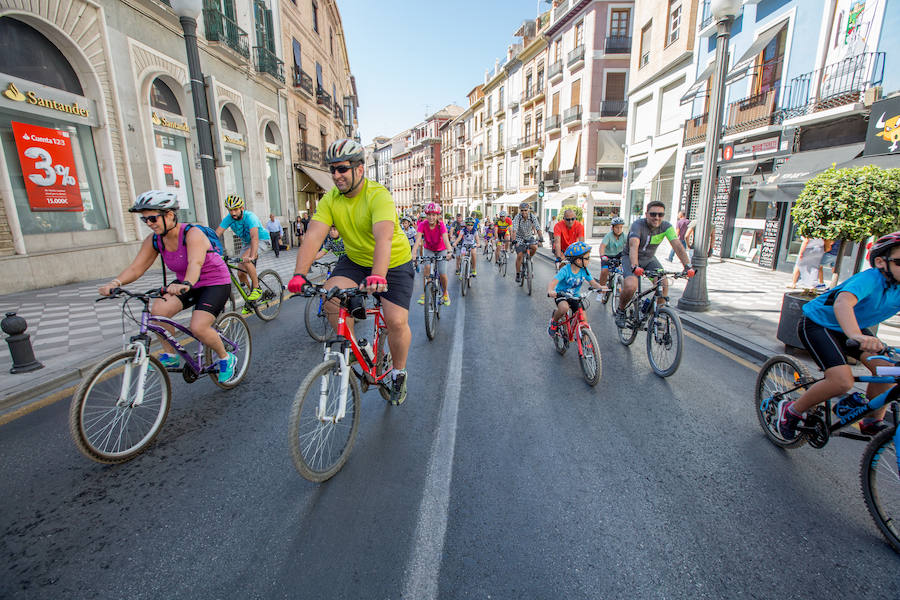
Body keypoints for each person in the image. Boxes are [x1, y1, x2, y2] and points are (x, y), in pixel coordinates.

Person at [287, 138, 414, 404]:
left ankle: (399, 374)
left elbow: (384, 239)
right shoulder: (330, 199)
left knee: (396, 322)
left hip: (392, 262)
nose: (336, 175)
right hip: (355, 259)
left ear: (359, 169)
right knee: (331, 295)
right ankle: (358, 348)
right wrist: (300, 274)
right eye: (332, 169)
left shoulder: (378, 195)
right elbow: (313, 235)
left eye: (342, 168)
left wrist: (378, 275)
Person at [98, 191, 236, 383]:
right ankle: (171, 355)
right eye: (144, 220)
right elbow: (137, 268)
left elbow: (195, 263)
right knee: (158, 311)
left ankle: (225, 357)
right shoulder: (154, 240)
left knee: (198, 327)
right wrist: (115, 283)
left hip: (214, 282)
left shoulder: (192, 233)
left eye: (153, 218)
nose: (149, 223)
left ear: (170, 215)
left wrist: (185, 283)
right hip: (185, 284)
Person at [776, 232, 900, 440]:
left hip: (853, 330)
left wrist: (856, 335)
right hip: (818, 324)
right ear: (880, 262)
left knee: (890, 372)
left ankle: (871, 420)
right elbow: (843, 303)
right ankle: (791, 411)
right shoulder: (870, 278)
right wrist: (856, 336)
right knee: (842, 381)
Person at [614, 201, 693, 328]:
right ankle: (621, 310)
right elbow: (634, 246)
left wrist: (687, 266)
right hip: (630, 258)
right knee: (630, 286)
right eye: (653, 214)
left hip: (649, 259)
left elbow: (677, 245)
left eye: (660, 214)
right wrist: (634, 266)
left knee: (664, 284)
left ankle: (653, 315)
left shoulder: (666, 227)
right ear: (646, 214)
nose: (657, 217)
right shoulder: (638, 225)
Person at [215, 195, 270, 310]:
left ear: (241, 208)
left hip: (261, 239)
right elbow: (216, 234)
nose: (233, 213)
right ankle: (251, 300)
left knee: (246, 259)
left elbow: (254, 237)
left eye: (235, 209)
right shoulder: (229, 218)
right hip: (247, 243)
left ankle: (257, 288)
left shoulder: (250, 217)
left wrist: (253, 255)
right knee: (240, 273)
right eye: (231, 210)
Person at [547, 241, 604, 336]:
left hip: (575, 297)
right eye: (587, 258)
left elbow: (593, 282)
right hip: (562, 295)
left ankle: (587, 344)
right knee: (564, 308)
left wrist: (600, 287)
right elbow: (553, 282)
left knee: (583, 319)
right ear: (578, 260)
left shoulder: (584, 270)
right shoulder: (565, 270)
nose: (589, 260)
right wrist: (550, 291)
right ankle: (554, 321)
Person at [412, 202, 452, 306]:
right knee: (427, 268)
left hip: (441, 249)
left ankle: (445, 293)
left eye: (434, 215)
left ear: (438, 216)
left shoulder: (441, 225)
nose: (431, 217)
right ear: (426, 215)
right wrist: (413, 253)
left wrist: (449, 251)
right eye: (429, 215)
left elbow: (446, 239)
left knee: (442, 272)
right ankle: (425, 293)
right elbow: (418, 240)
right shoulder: (422, 224)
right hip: (429, 249)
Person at [510, 202, 543, 283]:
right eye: (522, 210)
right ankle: (518, 274)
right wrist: (514, 240)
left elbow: (538, 228)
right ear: (520, 211)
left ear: (528, 210)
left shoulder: (532, 217)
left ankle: (529, 258)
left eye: (525, 210)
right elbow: (514, 230)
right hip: (519, 238)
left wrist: (541, 237)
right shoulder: (517, 217)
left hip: (529, 237)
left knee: (535, 247)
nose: (524, 212)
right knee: (519, 255)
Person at [598, 216, 627, 293]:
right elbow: (602, 246)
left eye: (621, 227)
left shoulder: (624, 236)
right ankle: (601, 290)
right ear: (612, 228)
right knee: (604, 271)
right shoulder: (609, 236)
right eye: (617, 227)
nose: (619, 229)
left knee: (625, 271)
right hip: (607, 256)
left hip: (618, 256)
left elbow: (630, 245)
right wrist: (602, 256)